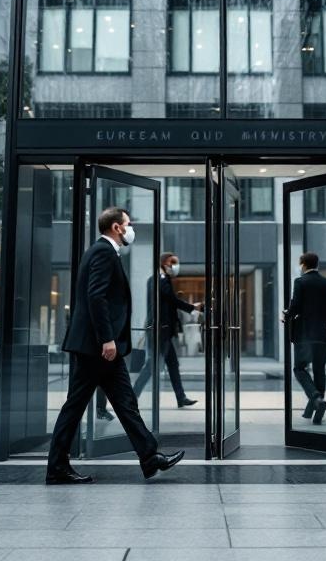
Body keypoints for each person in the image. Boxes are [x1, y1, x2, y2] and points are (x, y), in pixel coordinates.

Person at [46, 207, 184, 484]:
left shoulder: (104, 252)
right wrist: (107, 338)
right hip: (96, 346)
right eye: (128, 224)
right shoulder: (103, 252)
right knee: (76, 405)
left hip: (103, 347)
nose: (130, 228)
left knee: (125, 402)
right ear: (117, 228)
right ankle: (57, 467)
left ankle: (149, 457)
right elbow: (96, 297)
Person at [134, 252, 202, 407]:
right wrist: (192, 308)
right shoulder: (162, 280)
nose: (176, 265)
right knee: (152, 366)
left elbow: (167, 303)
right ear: (165, 263)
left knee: (172, 364)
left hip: (163, 331)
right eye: (174, 262)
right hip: (161, 331)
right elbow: (172, 300)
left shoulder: (154, 279)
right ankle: (131, 397)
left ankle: (181, 398)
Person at [286, 252, 326, 425]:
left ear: (303, 264)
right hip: (324, 335)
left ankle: (316, 398)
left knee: (300, 369)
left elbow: (295, 306)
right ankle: (315, 411)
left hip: (305, 334)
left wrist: (287, 316)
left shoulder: (300, 282)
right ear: (317, 264)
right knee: (319, 370)